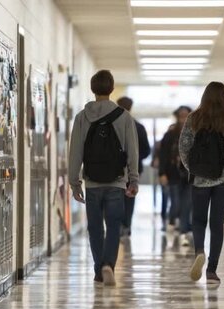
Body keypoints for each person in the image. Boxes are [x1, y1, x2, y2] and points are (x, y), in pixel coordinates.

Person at [68, 70, 139, 286]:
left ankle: (99, 268)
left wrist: (74, 182)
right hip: (116, 181)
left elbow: (75, 151)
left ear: (92, 88)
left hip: (92, 181)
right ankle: (109, 264)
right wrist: (133, 179)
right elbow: (132, 150)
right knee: (114, 224)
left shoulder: (82, 117)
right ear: (111, 88)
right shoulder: (124, 116)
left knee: (95, 227)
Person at [179, 82, 224, 284]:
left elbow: (184, 146)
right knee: (217, 223)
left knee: (198, 220)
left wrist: (193, 167)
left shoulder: (194, 118)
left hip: (200, 178)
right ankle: (212, 271)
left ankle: (199, 251)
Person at [117, 96, 151, 238]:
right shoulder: (139, 127)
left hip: (115, 169)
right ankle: (126, 226)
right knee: (129, 197)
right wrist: (134, 159)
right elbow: (146, 150)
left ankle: (117, 225)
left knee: (116, 197)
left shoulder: (112, 125)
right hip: (133, 169)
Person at [159, 106, 193, 245]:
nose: (183, 119)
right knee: (176, 202)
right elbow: (163, 155)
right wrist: (162, 173)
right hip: (173, 174)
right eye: (181, 116)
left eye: (186, 115)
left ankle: (183, 231)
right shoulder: (170, 135)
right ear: (177, 117)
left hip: (191, 176)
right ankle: (174, 221)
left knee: (187, 204)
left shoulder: (194, 133)